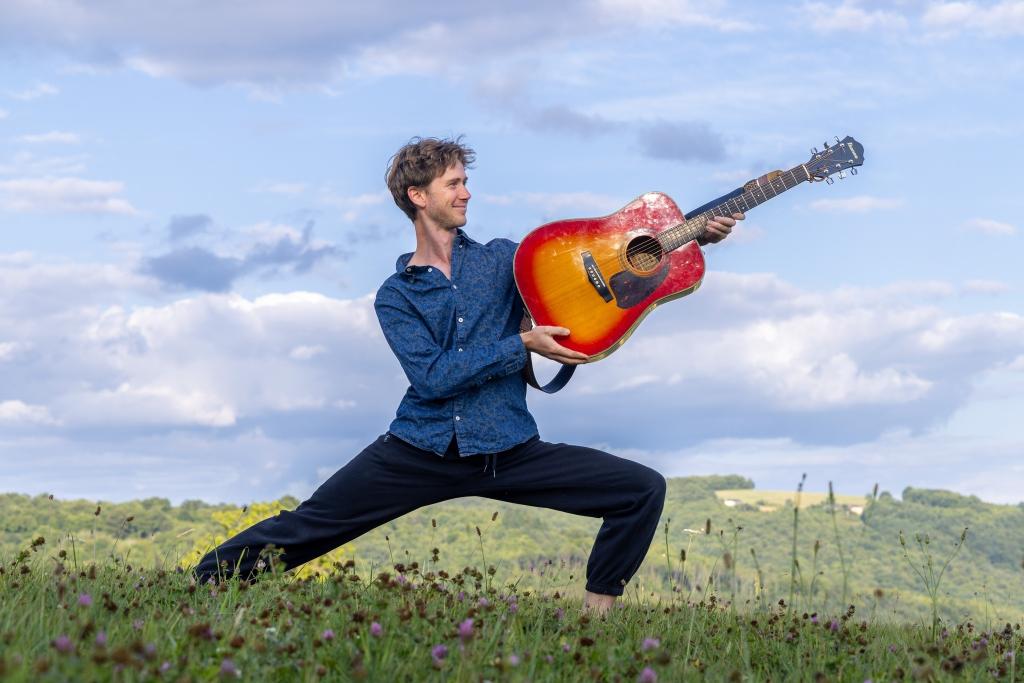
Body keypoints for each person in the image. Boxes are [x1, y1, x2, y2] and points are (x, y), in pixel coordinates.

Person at [193, 136, 743, 614]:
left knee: (640, 489)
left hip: (507, 447)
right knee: (310, 525)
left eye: (465, 182)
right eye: (454, 183)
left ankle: (596, 621)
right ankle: (202, 584)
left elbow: (598, 274)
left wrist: (689, 239)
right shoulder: (397, 295)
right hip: (419, 449)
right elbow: (433, 378)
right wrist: (519, 345)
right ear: (418, 196)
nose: (467, 193)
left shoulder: (505, 259)